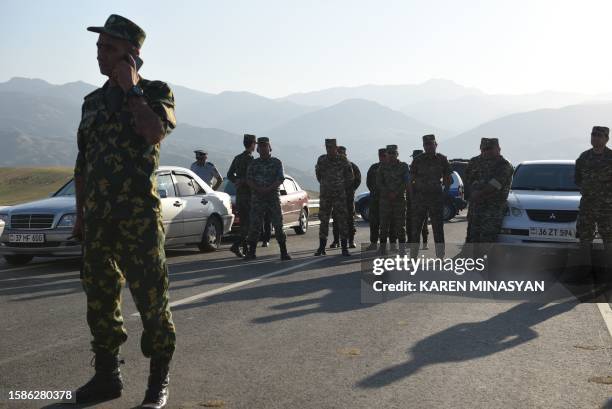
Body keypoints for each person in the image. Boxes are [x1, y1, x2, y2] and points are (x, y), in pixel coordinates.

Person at [72, 14, 176, 408]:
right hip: (98, 222)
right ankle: (106, 375)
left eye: (108, 48)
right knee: (99, 300)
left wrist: (132, 91)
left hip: (139, 221)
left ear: (131, 54)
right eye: (98, 47)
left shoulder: (155, 92)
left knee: (152, 301)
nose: (100, 54)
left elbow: (153, 132)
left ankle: (157, 381)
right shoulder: (92, 103)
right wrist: (82, 216)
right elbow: (83, 164)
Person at [574, 126, 612, 297]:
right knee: (584, 239)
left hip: (607, 207)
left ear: (606, 139)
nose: (595, 138)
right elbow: (577, 179)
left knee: (609, 240)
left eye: (599, 135)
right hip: (588, 206)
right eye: (593, 135)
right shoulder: (584, 157)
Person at [243, 137, 291, 261]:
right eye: (261, 146)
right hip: (257, 198)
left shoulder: (276, 162)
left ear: (270, 148)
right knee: (255, 225)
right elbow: (249, 179)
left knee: (278, 225)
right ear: (257, 149)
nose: (263, 148)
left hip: (272, 198)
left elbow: (280, 179)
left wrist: (268, 189)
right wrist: (258, 189)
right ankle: (251, 252)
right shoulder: (254, 163)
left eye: (265, 146)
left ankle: (284, 252)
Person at [468, 138, 513, 258]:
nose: (486, 152)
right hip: (475, 209)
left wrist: (478, 193)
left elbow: (496, 185)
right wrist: (472, 191)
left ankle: (485, 269)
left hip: (492, 211)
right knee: (472, 240)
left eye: (490, 149)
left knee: (486, 242)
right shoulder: (474, 162)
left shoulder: (504, 165)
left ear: (498, 149)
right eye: (484, 149)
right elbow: (468, 179)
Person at [409, 134, 451, 259]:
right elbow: (410, 180)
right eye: (426, 145)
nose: (428, 147)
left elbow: (447, 178)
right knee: (415, 229)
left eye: (431, 144)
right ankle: (413, 256)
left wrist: (445, 192)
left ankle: (440, 256)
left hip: (436, 199)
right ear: (423, 146)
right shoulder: (417, 160)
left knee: (438, 229)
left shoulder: (442, 159)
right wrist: (412, 197)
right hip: (419, 199)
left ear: (435, 144)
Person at [315, 139, 354, 256]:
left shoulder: (343, 160)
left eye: (331, 147)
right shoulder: (322, 160)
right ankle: (322, 247)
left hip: (339, 196)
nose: (329, 149)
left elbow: (350, 177)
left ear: (336, 147)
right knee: (323, 221)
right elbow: (319, 175)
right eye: (327, 147)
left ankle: (344, 248)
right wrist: (326, 185)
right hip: (325, 195)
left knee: (342, 221)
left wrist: (340, 187)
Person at [376, 145, 410, 255]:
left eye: (393, 154)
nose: (391, 156)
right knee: (384, 225)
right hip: (385, 201)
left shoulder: (404, 166)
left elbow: (406, 182)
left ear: (397, 154)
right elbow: (379, 183)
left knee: (400, 225)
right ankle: (382, 249)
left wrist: (396, 193)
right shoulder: (382, 167)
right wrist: (388, 192)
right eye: (389, 154)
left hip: (399, 200)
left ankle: (402, 249)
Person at [227, 134, 256, 258]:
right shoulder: (251, 160)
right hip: (249, 195)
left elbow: (229, 174)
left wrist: (237, 181)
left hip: (239, 195)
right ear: (252, 144)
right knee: (248, 224)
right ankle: (237, 245)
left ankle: (244, 249)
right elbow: (252, 177)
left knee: (243, 223)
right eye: (255, 143)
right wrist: (243, 181)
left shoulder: (237, 158)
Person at [330, 146, 361, 249]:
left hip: (348, 197)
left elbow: (358, 179)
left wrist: (351, 190)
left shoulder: (352, 166)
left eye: (342, 153)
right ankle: (336, 240)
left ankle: (351, 241)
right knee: (336, 219)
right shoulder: (333, 167)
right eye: (339, 153)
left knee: (350, 219)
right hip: (337, 197)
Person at [365, 148, 388, 251]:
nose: (382, 157)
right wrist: (374, 191)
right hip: (375, 199)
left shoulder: (390, 167)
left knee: (386, 223)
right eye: (380, 156)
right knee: (374, 222)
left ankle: (384, 245)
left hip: (387, 199)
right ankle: (373, 243)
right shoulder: (374, 167)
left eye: (384, 155)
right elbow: (368, 182)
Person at [408, 149, 430, 249]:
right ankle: (412, 242)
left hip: (422, 199)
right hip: (412, 199)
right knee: (411, 221)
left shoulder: (425, 169)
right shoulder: (412, 168)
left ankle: (423, 242)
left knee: (422, 222)